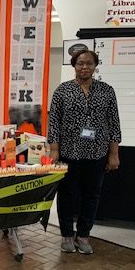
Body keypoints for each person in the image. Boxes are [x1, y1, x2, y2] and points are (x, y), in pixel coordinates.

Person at [48, 49, 121, 255]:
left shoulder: (107, 91)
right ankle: (67, 236)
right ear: (74, 65)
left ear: (95, 65)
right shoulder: (62, 91)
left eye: (89, 63)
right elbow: (53, 122)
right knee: (67, 195)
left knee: (92, 195)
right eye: (80, 63)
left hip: (97, 153)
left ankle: (83, 235)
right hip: (69, 153)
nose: (85, 67)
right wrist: (54, 150)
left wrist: (113, 153)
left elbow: (114, 123)